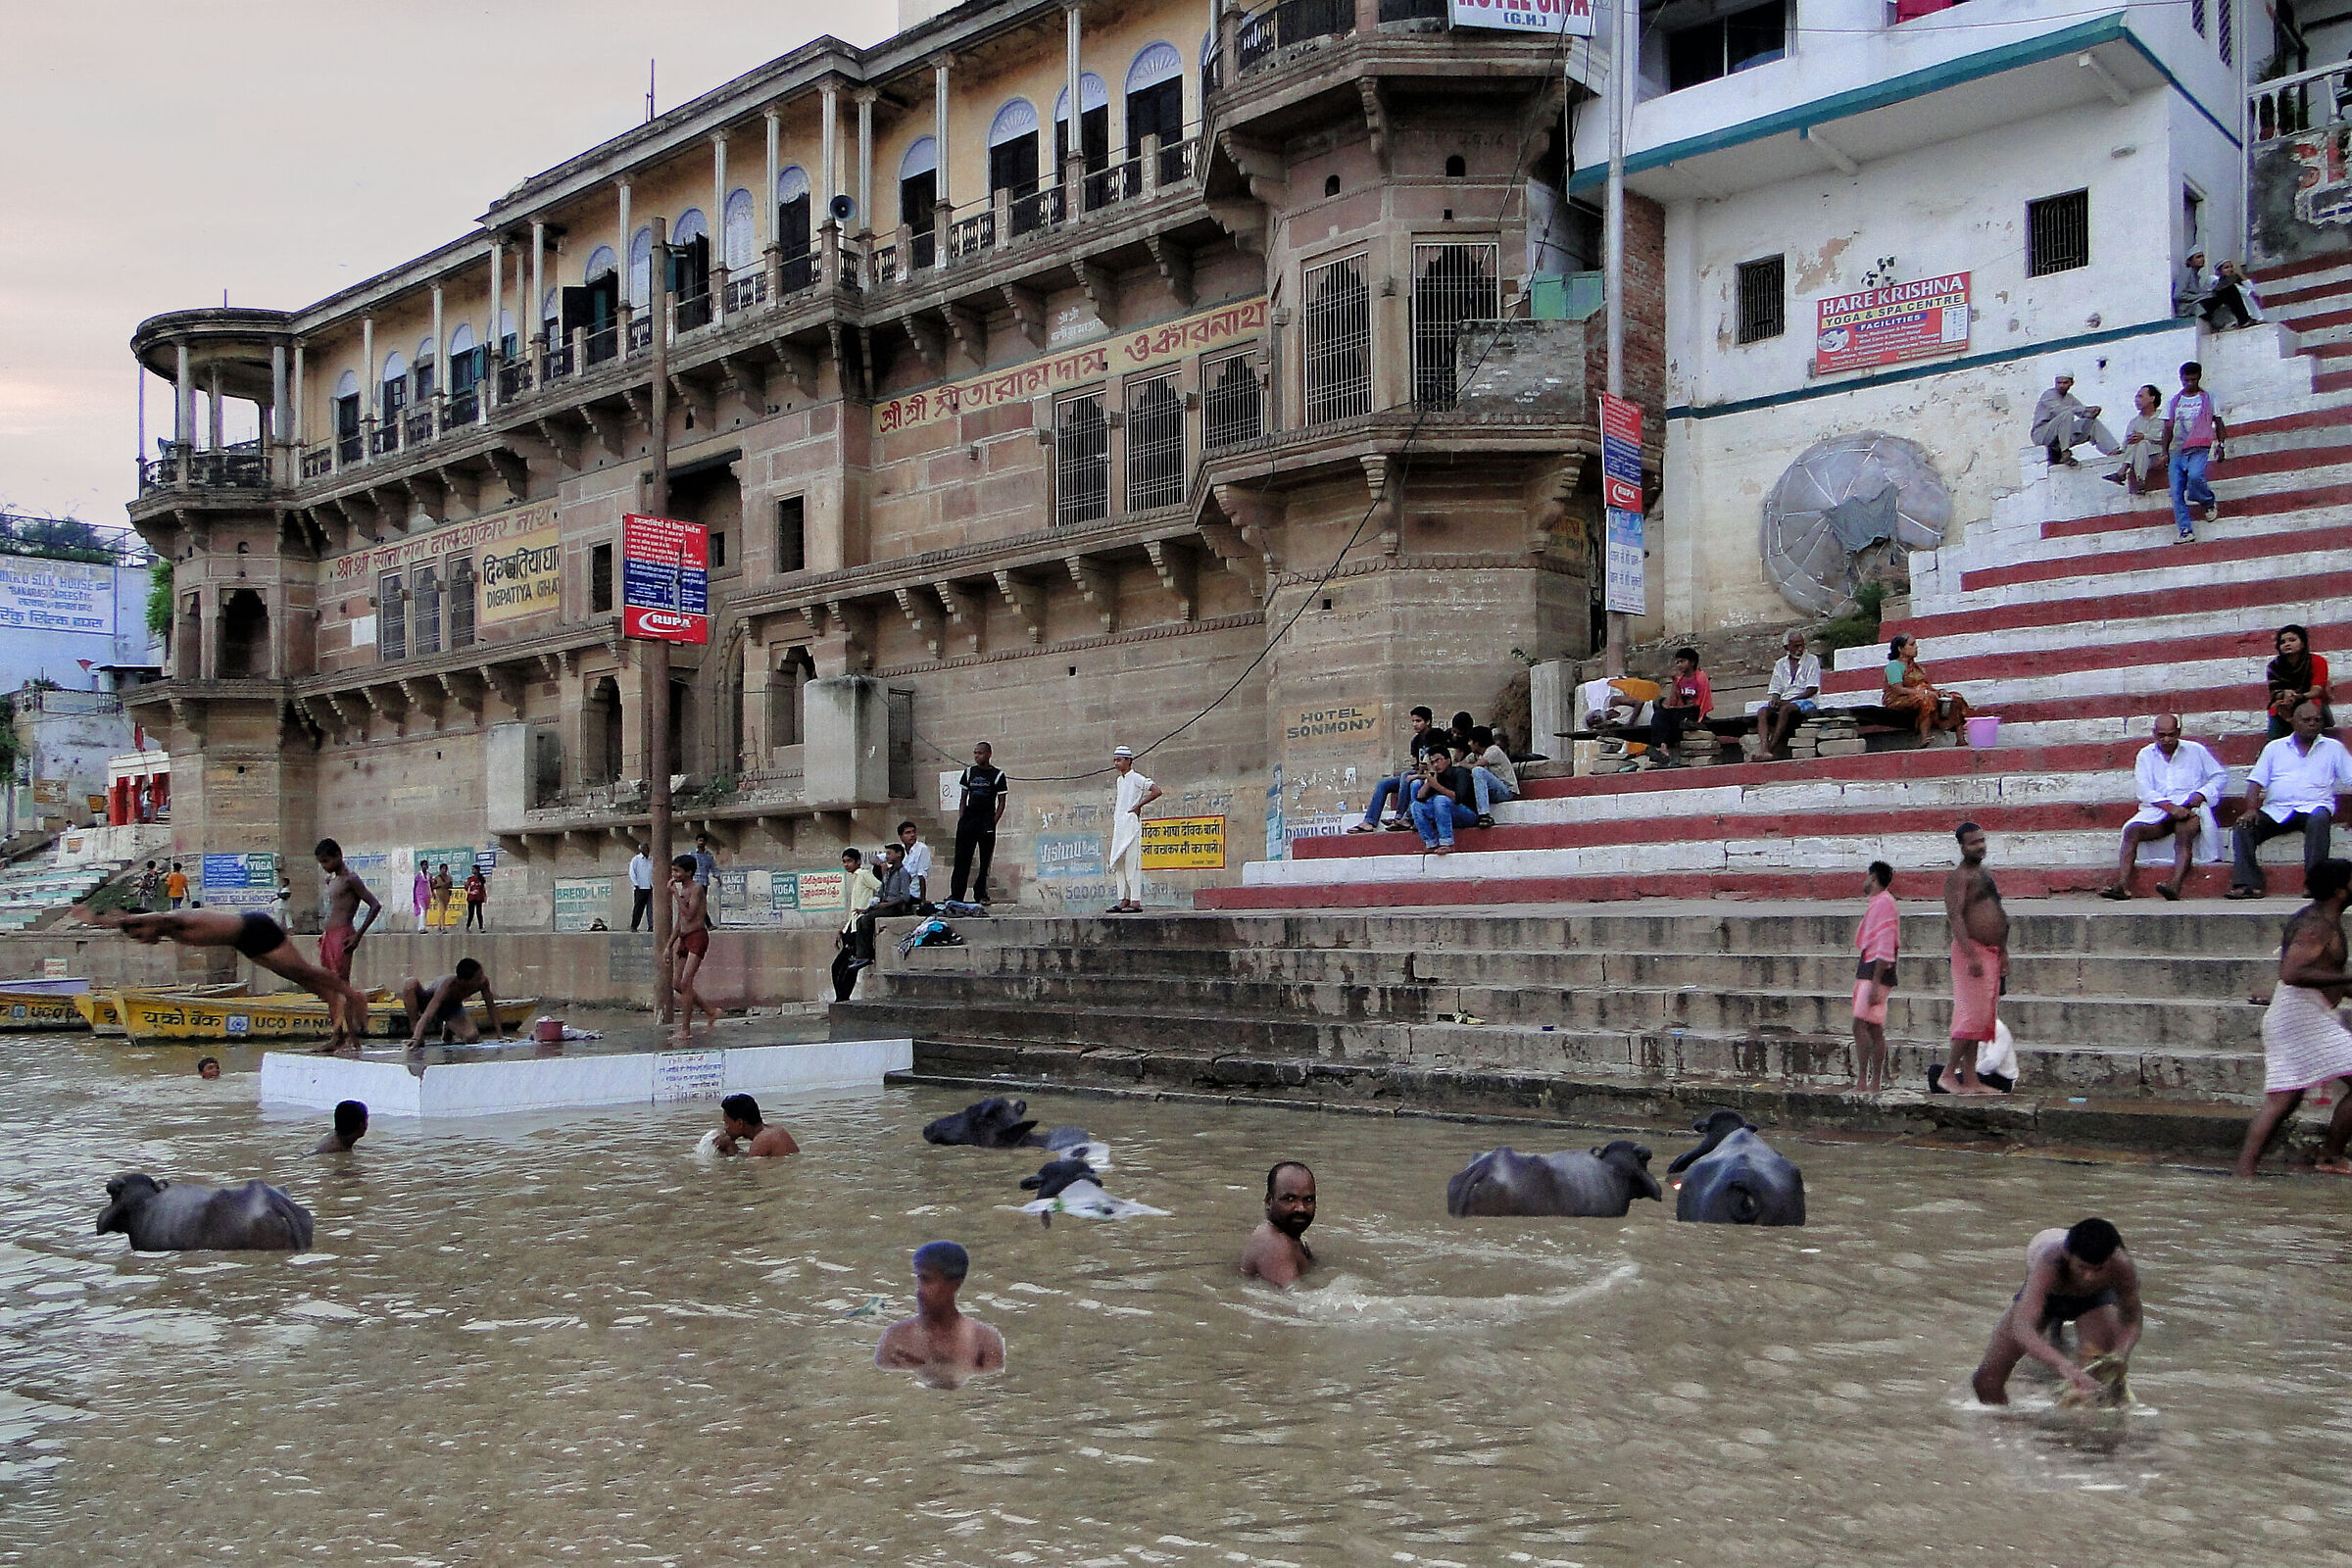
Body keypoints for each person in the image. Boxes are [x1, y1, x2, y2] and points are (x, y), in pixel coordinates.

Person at [76, 905, 373, 1046]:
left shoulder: (174, 920)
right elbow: (132, 923)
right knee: (303, 980)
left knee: (304, 971)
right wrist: (113, 923)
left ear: (148, 922)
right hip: (244, 942)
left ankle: (353, 995)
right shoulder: (171, 929)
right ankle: (339, 1029)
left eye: (141, 934)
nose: (143, 940)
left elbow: (147, 918)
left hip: (256, 929)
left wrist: (99, 919)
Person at [2235, 858, 2352, 1175]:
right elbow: (2291, 973)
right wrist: (2346, 981)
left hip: (2302, 1015)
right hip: (2300, 1018)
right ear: (2341, 891)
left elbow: (2327, 974)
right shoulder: (2317, 925)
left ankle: (2242, 1178)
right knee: (2280, 1103)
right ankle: (2330, 1157)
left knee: (2283, 1102)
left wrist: (2345, 984)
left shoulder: (2323, 920)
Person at [1969, 1219, 2143, 1406]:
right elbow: (2023, 1327)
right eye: (2082, 1267)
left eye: (2098, 1269)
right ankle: (2004, 1430)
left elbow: (2132, 1320)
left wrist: (2120, 1353)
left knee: (2100, 1385)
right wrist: (2064, 1365)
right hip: (2048, 1297)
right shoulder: (2049, 1260)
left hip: (2095, 1300)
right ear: (2068, 1256)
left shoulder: (2122, 1266)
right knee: (1986, 1382)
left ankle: (2083, 1430)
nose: (2089, 1277)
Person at [2229, 702, 2352, 899]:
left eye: (2317, 720)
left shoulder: (2333, 748)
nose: (2313, 724)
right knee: (2243, 826)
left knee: (2320, 818)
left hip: (2314, 807)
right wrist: (2251, 808)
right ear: (2293, 721)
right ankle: (2249, 884)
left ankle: (2314, 884)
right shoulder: (2274, 748)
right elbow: (2254, 783)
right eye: (2306, 720)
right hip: (2276, 810)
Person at [2103, 715, 2230, 902]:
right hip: (2158, 809)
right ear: (2154, 734)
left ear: (2178, 732)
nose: (2166, 740)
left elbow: (2220, 777)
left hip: (2189, 808)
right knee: (2131, 831)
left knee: (2184, 834)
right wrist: (2169, 808)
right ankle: (2121, 885)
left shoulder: (2196, 751)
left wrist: (2202, 794)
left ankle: (2174, 885)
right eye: (2161, 735)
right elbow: (2144, 790)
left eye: (2171, 735)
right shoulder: (2145, 754)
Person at [875, 1241, 1004, 1389]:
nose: (919, 1290)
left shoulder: (985, 1340)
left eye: (927, 1280)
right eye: (918, 1278)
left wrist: (926, 1368)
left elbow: (989, 1390)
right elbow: (882, 1387)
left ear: (954, 1284)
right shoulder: (895, 1337)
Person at [1944, 821, 2007, 1096]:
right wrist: (1970, 954)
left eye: (1982, 840)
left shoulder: (1985, 874)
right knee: (1971, 1019)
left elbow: (1997, 909)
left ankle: (1970, 1080)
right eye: (1973, 842)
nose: (1980, 846)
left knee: (1981, 1021)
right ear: (1961, 847)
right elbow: (1955, 916)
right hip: (1971, 953)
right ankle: (1948, 1074)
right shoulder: (1958, 878)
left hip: (1991, 953)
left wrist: (2003, 950)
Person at [1348, 707, 1445, 833]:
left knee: (1407, 776)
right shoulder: (1416, 741)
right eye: (1413, 721)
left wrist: (1420, 772)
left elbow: (1439, 766)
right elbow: (1416, 765)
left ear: (1428, 722)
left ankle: (1400, 817)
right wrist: (1417, 768)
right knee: (1384, 784)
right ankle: (1370, 821)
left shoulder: (1436, 736)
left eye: (1418, 721)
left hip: (1431, 778)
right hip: (1419, 774)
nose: (1414, 724)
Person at [1852, 860, 1898, 1095]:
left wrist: (1877, 981)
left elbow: (1886, 944)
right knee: (1869, 1026)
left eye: (1866, 876)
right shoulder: (1879, 903)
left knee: (1864, 1025)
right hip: (1869, 967)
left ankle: (1868, 1082)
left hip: (1876, 971)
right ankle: (1869, 1082)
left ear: (1872, 878)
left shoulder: (1885, 904)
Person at [2166, 361, 2226, 543]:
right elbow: (2168, 427)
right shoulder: (2175, 401)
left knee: (2195, 477)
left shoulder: (2209, 398)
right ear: (2181, 379)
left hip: (2199, 446)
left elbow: (2219, 422)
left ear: (2199, 377)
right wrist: (2164, 451)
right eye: (2186, 380)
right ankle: (2185, 530)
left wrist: (2221, 445)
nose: (2189, 383)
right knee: (2175, 492)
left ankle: (2207, 501)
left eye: (2193, 379)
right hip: (2176, 450)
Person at [1882, 634, 1973, 745]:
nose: (1916, 647)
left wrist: (1939, 692)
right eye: (1911, 644)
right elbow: (1898, 689)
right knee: (1926, 699)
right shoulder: (1894, 666)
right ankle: (1924, 738)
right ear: (1900, 649)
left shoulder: (1917, 667)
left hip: (1920, 695)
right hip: (1897, 699)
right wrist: (1923, 692)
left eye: (1915, 644)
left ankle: (1960, 739)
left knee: (1955, 698)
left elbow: (1926, 686)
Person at [847, 842, 920, 978]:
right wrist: (867, 908)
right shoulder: (888, 872)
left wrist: (886, 905)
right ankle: (861, 956)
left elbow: (905, 896)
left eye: (889, 853)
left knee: (867, 920)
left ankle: (866, 955)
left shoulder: (903, 873)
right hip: (884, 905)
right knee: (861, 919)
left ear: (898, 854)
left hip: (896, 908)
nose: (886, 856)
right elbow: (880, 893)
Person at [400, 957, 507, 1050]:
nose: (482, 979)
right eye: (478, 978)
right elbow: (428, 1014)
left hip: (451, 1009)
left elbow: (491, 1007)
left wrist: (500, 1035)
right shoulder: (447, 985)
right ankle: (415, 1033)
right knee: (410, 983)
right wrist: (417, 1037)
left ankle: (448, 1027)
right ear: (463, 981)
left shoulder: (483, 982)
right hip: (428, 1002)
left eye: (482, 975)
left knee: (471, 1037)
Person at [315, 839, 380, 986]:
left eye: (326, 861)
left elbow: (375, 905)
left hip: (343, 934)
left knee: (340, 981)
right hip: (330, 935)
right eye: (321, 863)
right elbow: (334, 907)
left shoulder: (351, 879)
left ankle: (348, 1008)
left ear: (338, 855)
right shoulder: (333, 880)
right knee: (328, 982)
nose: (324, 866)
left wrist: (358, 935)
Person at [667, 854, 721, 1035]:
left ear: (688, 872)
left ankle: (685, 1029)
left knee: (686, 982)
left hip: (697, 936)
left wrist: (675, 894)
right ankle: (710, 1011)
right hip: (684, 938)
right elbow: (680, 921)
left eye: (677, 871)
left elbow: (690, 914)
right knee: (677, 984)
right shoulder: (682, 891)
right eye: (673, 870)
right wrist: (669, 946)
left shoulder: (696, 889)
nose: (674, 874)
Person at [950, 742, 1009, 904]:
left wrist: (993, 822)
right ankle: (956, 895)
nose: (977, 756)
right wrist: (962, 819)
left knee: (985, 861)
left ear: (989, 754)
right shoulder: (969, 772)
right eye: (975, 753)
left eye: (980, 753)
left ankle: (981, 894)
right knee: (962, 860)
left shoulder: (997, 775)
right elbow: (963, 798)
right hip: (968, 820)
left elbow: (1002, 801)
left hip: (986, 821)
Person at [1241, 1160, 1317, 1287]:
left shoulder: (1291, 1240)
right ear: (1269, 1201)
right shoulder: (1274, 1244)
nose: (1301, 1208)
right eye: (1290, 1199)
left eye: (1308, 1200)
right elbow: (1293, 1300)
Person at [1106, 745, 1162, 914]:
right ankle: (1124, 899)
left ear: (1128, 761)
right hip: (1120, 824)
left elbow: (1156, 791)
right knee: (1119, 862)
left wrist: (1138, 806)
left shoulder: (1136, 778)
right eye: (1115, 760)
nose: (1117, 763)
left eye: (1120, 760)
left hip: (1131, 824)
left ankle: (1135, 901)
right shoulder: (1119, 780)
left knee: (1132, 862)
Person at [2028, 372, 2119, 468]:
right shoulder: (2049, 395)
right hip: (2042, 434)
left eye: (2065, 383)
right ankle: (2065, 452)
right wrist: (2086, 409)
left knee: (2092, 423)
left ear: (2071, 383)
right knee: (2067, 414)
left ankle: (2112, 451)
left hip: (2060, 437)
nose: (2061, 386)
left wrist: (2092, 413)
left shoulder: (2069, 398)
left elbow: (2082, 413)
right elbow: (2061, 409)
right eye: (2059, 383)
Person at [1760, 629, 1823, 759]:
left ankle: (1770, 749)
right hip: (1786, 700)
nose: (1800, 649)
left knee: (1785, 709)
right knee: (1763, 712)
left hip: (1807, 701)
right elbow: (1776, 688)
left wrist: (1789, 701)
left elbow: (1812, 690)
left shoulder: (1812, 660)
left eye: (1802, 645)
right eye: (1796, 646)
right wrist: (1774, 699)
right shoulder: (1780, 664)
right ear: (1787, 647)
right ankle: (1764, 748)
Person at [831, 848, 882, 1002]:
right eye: (844, 862)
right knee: (838, 967)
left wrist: (869, 908)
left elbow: (880, 887)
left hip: (858, 928)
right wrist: (844, 927)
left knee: (849, 967)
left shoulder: (864, 874)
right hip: (851, 927)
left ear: (858, 861)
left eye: (849, 861)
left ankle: (842, 1001)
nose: (846, 865)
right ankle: (841, 1000)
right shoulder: (855, 877)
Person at [2266, 623, 2332, 741]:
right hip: (2286, 702)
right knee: (2275, 709)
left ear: (2303, 643)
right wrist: (2285, 694)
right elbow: (2274, 691)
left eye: (2292, 640)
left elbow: (2316, 690)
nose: (2287, 644)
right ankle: (2272, 744)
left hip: (2310, 699)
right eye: (2282, 642)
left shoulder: (2317, 661)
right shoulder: (2274, 666)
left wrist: (2298, 696)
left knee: (2313, 708)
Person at [1649, 648, 1712, 767]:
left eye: (1682, 661)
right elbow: (1672, 702)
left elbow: (1701, 701)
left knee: (1672, 716)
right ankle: (1662, 747)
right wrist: (1674, 683)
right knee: (1659, 714)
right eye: (1677, 662)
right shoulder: (1680, 680)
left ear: (1692, 662)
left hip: (1695, 711)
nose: (1679, 665)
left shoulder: (1700, 677)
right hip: (1681, 711)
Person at [2104, 384, 2170, 495]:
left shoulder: (2163, 417)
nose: (2136, 400)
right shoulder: (2134, 422)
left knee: (2142, 441)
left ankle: (2122, 471)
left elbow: (2164, 437)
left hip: (2157, 455)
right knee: (2138, 442)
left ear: (2152, 398)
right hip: (2139, 458)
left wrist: (2144, 436)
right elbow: (2126, 444)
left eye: (2140, 396)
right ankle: (2140, 481)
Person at [1407, 750, 1475, 855]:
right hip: (1446, 816)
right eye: (1432, 762)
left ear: (1448, 760)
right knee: (1416, 806)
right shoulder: (1436, 776)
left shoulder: (1460, 772)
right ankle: (1430, 843)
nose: (1435, 765)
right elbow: (1420, 798)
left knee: (1440, 799)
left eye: (1438, 760)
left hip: (1468, 815)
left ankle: (1447, 843)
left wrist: (1437, 786)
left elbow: (1458, 798)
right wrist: (1429, 782)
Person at [710, 1092, 800, 1156]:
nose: (725, 1128)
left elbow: (750, 1174)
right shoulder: (774, 1129)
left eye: (726, 1123)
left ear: (739, 1123)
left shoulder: (762, 1140)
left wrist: (730, 1148)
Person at [1467, 724, 1517, 828]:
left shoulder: (1493, 750)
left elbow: (1476, 766)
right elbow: (1461, 763)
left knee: (1477, 771)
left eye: (1471, 741)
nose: (1469, 744)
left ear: (1477, 743)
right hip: (1494, 791)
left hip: (1506, 791)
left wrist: (1465, 765)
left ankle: (1484, 815)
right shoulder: (1477, 754)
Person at [2196, 258, 2264, 330]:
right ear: (2219, 271)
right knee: (2230, 288)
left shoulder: (2235, 284)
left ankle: (2248, 320)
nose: (2230, 269)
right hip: (2216, 309)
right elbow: (2219, 287)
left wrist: (2240, 275)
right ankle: (2243, 321)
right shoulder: (2212, 279)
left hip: (2246, 314)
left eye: (2231, 267)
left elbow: (2252, 291)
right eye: (2226, 268)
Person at [896, 821, 933, 905]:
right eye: (908, 833)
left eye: (913, 832)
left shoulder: (922, 849)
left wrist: (923, 900)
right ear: (901, 837)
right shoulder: (900, 849)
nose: (912, 835)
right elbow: (881, 857)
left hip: (913, 894)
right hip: (899, 892)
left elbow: (922, 876)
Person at [628, 843, 655, 932]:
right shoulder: (636, 860)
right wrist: (636, 884)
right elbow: (632, 873)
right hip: (640, 888)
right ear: (640, 850)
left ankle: (651, 926)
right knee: (638, 908)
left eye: (647, 849)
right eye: (644, 849)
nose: (646, 850)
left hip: (650, 887)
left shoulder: (651, 860)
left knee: (651, 908)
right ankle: (634, 926)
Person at [429, 862, 455, 929]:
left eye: (445, 869)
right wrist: (439, 885)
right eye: (443, 869)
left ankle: (439, 925)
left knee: (444, 911)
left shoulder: (449, 878)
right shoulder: (437, 878)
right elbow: (433, 886)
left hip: (446, 895)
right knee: (442, 910)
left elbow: (451, 886)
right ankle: (443, 927)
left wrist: (447, 885)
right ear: (440, 869)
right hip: (439, 895)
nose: (444, 870)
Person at [463, 865, 487, 931]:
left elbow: (483, 889)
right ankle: (468, 926)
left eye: (473, 869)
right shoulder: (470, 879)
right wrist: (465, 885)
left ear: (477, 870)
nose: (472, 870)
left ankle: (481, 927)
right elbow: (467, 888)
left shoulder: (481, 879)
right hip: (471, 898)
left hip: (479, 897)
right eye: (472, 869)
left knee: (479, 913)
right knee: (471, 913)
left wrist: (484, 896)